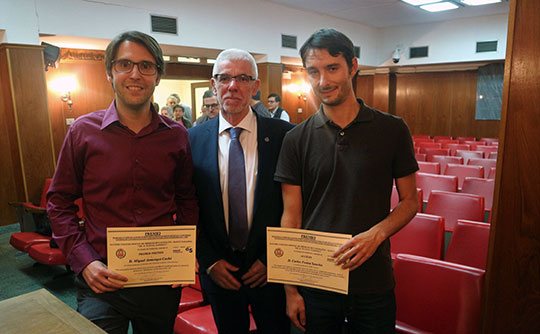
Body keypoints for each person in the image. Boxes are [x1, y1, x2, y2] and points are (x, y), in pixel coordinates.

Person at [46, 30, 199, 334]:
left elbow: (187, 201)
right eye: (125, 64)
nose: (135, 74)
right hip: (101, 276)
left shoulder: (177, 135)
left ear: (157, 76)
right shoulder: (82, 132)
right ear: (109, 72)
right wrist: (84, 261)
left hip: (160, 277)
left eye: (146, 66)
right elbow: (59, 203)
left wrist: (186, 252)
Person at [274, 28, 419, 333]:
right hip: (315, 281)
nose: (323, 81)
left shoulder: (392, 129)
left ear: (353, 66)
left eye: (332, 68)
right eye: (313, 71)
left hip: (373, 281)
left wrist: (376, 234)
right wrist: (290, 289)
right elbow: (291, 217)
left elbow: (410, 202)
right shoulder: (295, 139)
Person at [189, 48, 292, 334]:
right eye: (224, 78)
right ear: (214, 84)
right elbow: (188, 206)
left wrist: (274, 258)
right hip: (220, 270)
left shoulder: (285, 136)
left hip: (269, 268)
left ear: (255, 86)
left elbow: (296, 205)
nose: (232, 86)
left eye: (243, 78)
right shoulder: (191, 139)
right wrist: (208, 261)